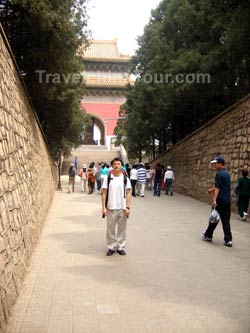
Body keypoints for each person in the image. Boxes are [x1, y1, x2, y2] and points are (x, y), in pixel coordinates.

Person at [102, 157, 131, 256]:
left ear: (121, 166)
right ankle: (111, 247)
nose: (117, 165)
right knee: (110, 229)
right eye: (115, 164)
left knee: (122, 229)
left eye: (118, 164)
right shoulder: (108, 178)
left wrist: (128, 207)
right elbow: (104, 193)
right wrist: (103, 207)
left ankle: (120, 246)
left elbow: (128, 193)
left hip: (122, 208)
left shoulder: (125, 178)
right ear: (112, 166)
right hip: (111, 207)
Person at [201, 156, 233, 247]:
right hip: (227, 201)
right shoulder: (227, 174)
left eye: (216, 163)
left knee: (213, 218)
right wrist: (212, 189)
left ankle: (208, 235)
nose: (214, 165)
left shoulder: (218, 174)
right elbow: (222, 186)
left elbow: (218, 187)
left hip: (219, 200)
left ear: (220, 163)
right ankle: (228, 240)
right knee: (226, 220)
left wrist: (214, 199)